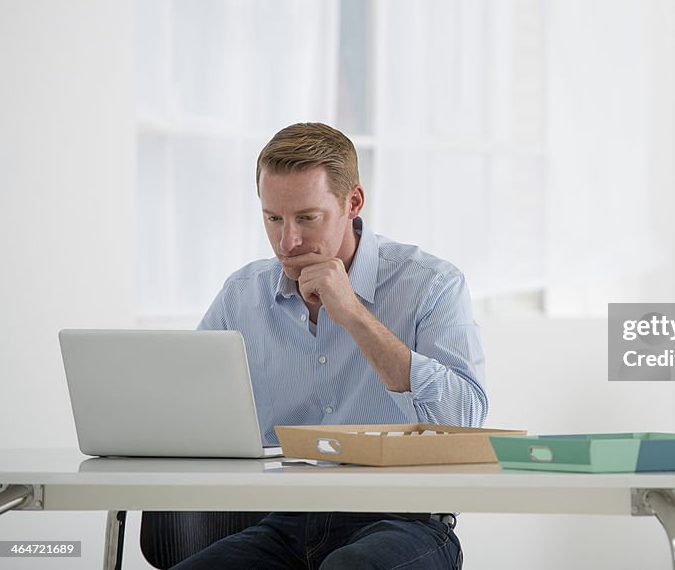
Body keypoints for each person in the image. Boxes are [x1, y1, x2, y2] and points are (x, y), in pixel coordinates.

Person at [174, 122, 487, 570]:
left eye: (307, 217)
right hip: (282, 522)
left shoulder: (432, 285)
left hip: (403, 522)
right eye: (273, 218)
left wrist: (355, 315)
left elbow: (466, 419)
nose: (288, 241)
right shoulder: (242, 295)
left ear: (352, 203)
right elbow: (188, 407)